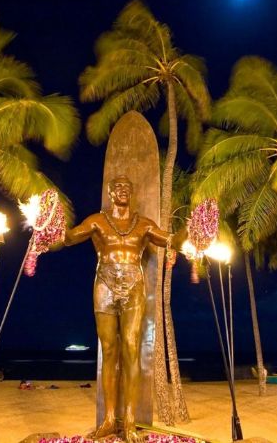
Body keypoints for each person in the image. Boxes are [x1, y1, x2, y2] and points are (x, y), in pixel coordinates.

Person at [64, 175, 183, 442]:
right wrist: (50, 227)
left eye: (127, 187)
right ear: (110, 191)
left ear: (132, 193)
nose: (122, 191)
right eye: (117, 187)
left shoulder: (143, 224)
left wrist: (194, 234)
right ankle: (108, 419)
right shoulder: (97, 221)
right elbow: (70, 238)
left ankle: (129, 419)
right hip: (104, 283)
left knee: (131, 347)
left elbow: (170, 240)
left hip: (133, 286)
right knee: (109, 350)